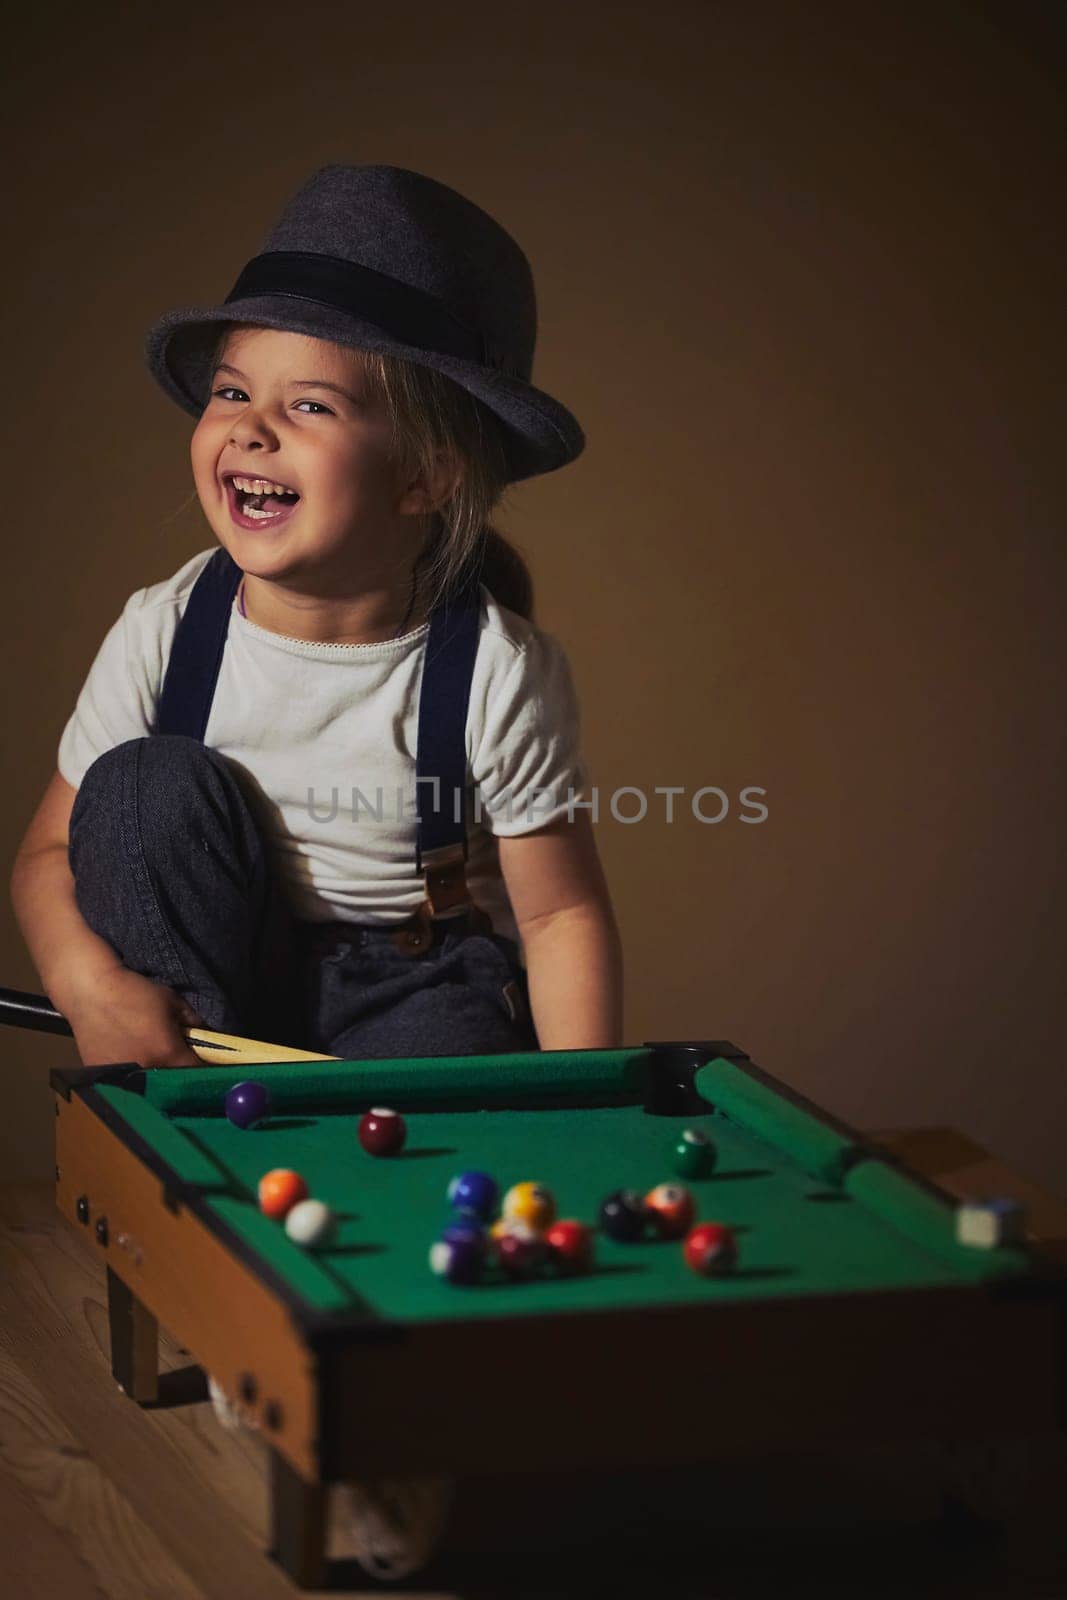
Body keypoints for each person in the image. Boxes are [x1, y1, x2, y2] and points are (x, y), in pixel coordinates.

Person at [8, 163, 623, 1578]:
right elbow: (46, 855)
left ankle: (391, 1405)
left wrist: (579, 1110)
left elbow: (563, 910)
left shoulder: (496, 671)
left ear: (427, 474)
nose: (249, 430)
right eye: (233, 391)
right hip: (212, 971)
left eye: (310, 404)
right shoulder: (169, 626)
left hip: (414, 977)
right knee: (140, 788)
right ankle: (239, 1280)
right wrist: (91, 980)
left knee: (434, 1199)